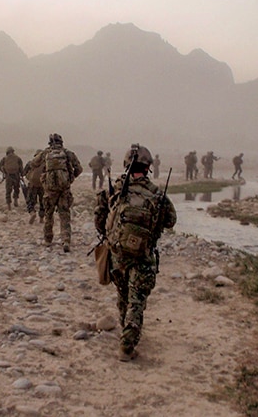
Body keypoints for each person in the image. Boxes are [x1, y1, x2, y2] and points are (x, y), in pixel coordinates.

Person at [94, 144, 177, 361]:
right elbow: (170, 221)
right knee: (137, 300)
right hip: (143, 256)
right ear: (148, 167)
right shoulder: (156, 194)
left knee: (123, 296)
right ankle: (127, 345)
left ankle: (126, 331)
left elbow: (99, 216)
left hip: (117, 254)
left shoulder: (114, 190)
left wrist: (110, 234)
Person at [28, 133, 83, 252]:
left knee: (49, 214)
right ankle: (66, 240)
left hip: (50, 189)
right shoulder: (68, 153)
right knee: (64, 215)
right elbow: (79, 168)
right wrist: (70, 178)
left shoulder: (46, 153)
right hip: (64, 190)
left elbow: (33, 164)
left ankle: (48, 240)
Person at [23, 150, 45, 224]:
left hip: (32, 185)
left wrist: (28, 176)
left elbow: (23, 173)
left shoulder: (30, 163)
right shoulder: (46, 164)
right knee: (43, 202)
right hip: (42, 185)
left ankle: (32, 213)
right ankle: (41, 218)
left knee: (30, 201)